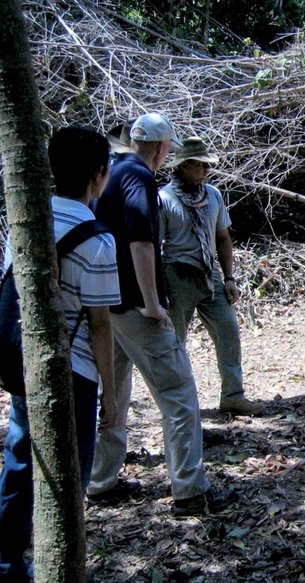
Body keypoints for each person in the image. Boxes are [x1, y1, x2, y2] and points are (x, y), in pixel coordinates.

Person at [88, 113, 237, 516]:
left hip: (109, 306)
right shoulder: (138, 177)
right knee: (178, 393)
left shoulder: (114, 172)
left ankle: (100, 482)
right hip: (135, 307)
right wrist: (153, 303)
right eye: (169, 148)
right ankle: (190, 490)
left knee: (114, 390)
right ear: (160, 148)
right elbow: (140, 238)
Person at [0, 126, 121, 582]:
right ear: (98, 175)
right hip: (75, 371)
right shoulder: (98, 240)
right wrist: (110, 394)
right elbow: (100, 325)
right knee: (71, 475)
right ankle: (62, 565)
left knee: (20, 463)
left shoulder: (27, 218)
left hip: (27, 359)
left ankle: (7, 564)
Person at [159, 137, 262, 416]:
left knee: (228, 330)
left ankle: (233, 395)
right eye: (200, 165)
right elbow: (154, 248)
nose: (206, 169)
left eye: (208, 164)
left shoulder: (213, 195)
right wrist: (159, 290)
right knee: (174, 341)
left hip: (210, 273)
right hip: (177, 273)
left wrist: (229, 277)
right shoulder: (164, 199)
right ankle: (177, 404)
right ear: (183, 166)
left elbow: (223, 237)